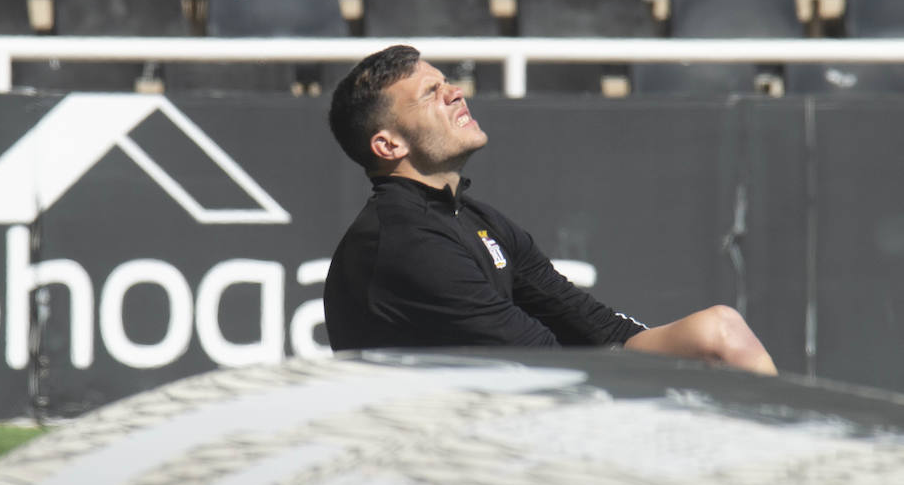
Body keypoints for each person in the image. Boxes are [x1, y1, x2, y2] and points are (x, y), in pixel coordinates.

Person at [323, 45, 776, 375]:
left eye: (448, 84)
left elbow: (593, 325)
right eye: (430, 93)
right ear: (388, 144)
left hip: (512, 423)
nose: (455, 93)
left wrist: (703, 345)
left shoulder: (477, 219)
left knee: (719, 330)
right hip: (452, 463)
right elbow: (540, 361)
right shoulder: (405, 241)